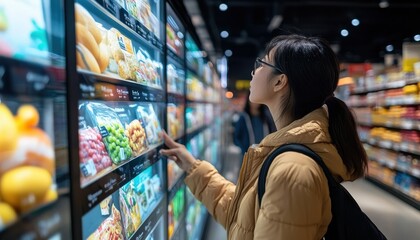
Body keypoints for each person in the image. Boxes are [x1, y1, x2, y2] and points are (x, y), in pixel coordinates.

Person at [159, 34, 367, 239]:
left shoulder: (292, 171)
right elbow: (246, 220)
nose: (253, 71)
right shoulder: (288, 155)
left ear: (279, 82)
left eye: (262, 64)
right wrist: (193, 167)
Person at [233, 92, 276, 157]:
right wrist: (244, 149)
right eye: (253, 99)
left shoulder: (266, 117)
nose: (255, 102)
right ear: (249, 100)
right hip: (249, 156)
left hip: (264, 154)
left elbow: (272, 133)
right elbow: (236, 137)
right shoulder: (244, 118)